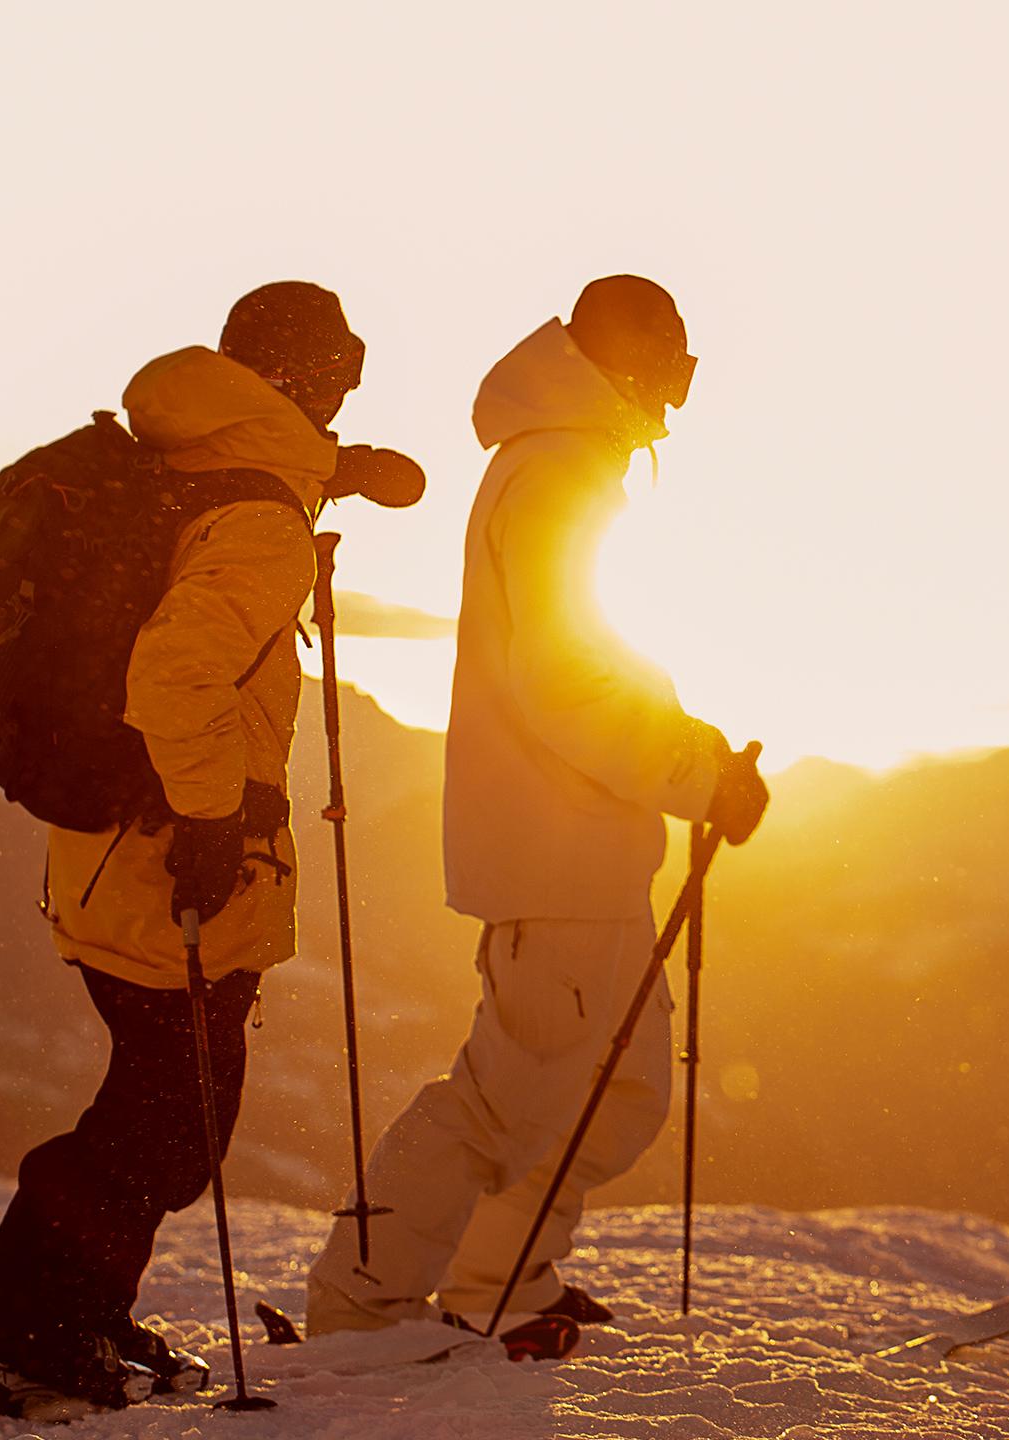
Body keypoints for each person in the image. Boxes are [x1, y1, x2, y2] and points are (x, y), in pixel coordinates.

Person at [307, 274, 769, 1350]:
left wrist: (693, 754)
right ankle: (384, 1299)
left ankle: (495, 1278)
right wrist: (696, 780)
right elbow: (566, 685)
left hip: (573, 847)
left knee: (593, 1093)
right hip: (559, 851)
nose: (677, 399)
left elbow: (599, 665)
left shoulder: (563, 463)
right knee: (517, 1103)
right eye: (674, 368)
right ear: (629, 361)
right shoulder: (560, 470)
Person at [0, 282, 372, 1410]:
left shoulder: (190, 454)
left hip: (108, 846)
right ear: (293, 378)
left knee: (161, 1112)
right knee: (164, 1123)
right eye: (340, 371)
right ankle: (29, 1332)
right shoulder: (258, 519)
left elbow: (230, 515)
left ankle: (71, 1317)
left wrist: (342, 469)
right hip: (165, 856)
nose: (348, 390)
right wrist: (207, 819)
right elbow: (178, 672)